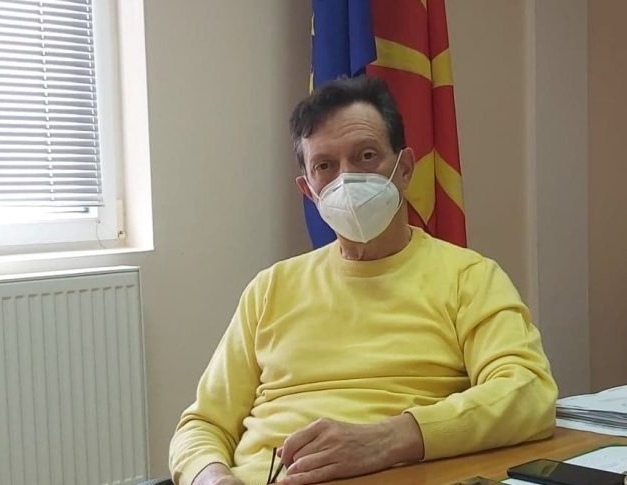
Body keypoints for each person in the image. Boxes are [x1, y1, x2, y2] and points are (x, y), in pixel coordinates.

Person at [169, 76, 557, 485]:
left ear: (404, 169)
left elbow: (528, 392)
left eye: (366, 156)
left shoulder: (469, 278)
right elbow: (202, 424)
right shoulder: (270, 289)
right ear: (308, 190)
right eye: (325, 166)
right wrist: (212, 478)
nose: (347, 179)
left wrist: (388, 440)